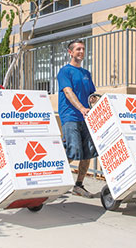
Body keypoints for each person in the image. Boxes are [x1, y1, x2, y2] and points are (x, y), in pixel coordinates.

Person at [57, 39, 98, 198]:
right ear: (70, 52)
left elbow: (92, 96)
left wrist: (96, 103)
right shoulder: (65, 71)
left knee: (88, 153)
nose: (81, 51)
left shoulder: (86, 73)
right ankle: (58, 182)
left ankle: (79, 185)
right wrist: (81, 108)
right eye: (78, 49)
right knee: (72, 150)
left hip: (86, 118)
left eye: (83, 49)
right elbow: (68, 92)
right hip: (71, 116)